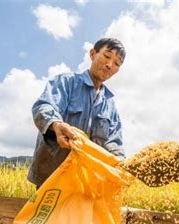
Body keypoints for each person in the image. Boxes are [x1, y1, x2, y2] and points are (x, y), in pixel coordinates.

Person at [28, 38, 126, 188]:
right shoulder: (66, 82)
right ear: (93, 53)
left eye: (117, 63)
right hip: (51, 177)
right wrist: (56, 124)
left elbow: (113, 143)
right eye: (107, 56)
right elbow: (44, 106)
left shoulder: (110, 106)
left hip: (85, 183)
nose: (109, 65)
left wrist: (123, 166)